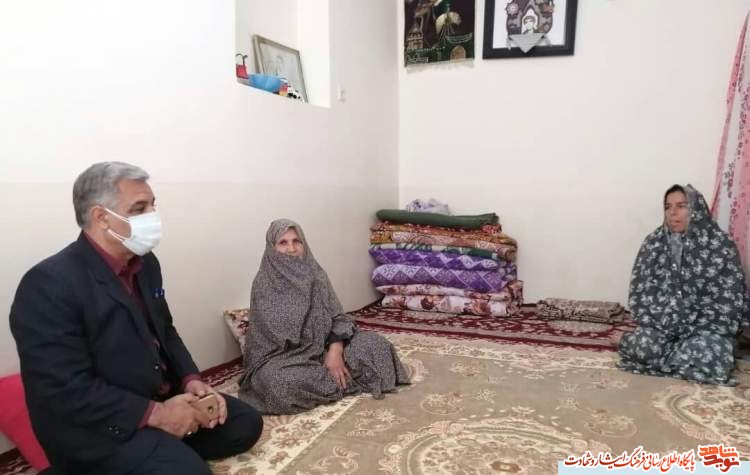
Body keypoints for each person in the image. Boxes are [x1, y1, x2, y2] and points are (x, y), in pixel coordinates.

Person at [10, 162, 263, 475]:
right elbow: (65, 388)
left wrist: (192, 381)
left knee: (244, 423)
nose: (153, 216)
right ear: (101, 217)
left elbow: (165, 330)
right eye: (139, 208)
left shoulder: (145, 263)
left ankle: (163, 445)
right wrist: (155, 414)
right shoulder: (47, 284)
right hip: (97, 422)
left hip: (152, 392)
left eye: (153, 205)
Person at [239, 219, 410, 414]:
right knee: (276, 383)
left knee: (377, 346)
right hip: (286, 359)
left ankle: (329, 380)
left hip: (326, 345)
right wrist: (308, 348)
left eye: (296, 241)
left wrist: (334, 352)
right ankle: (344, 381)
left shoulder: (316, 274)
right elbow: (268, 341)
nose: (291, 249)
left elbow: (338, 317)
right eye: (283, 243)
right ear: (272, 247)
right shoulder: (263, 285)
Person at [618, 184, 748, 385]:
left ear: (696, 209)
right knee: (644, 346)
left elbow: (728, 299)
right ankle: (674, 357)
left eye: (681, 206)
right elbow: (642, 290)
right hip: (663, 325)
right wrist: (666, 320)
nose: (673, 212)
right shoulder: (654, 243)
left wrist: (693, 323)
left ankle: (674, 356)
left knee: (708, 353)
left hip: (704, 328)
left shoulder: (720, 244)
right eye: (668, 206)